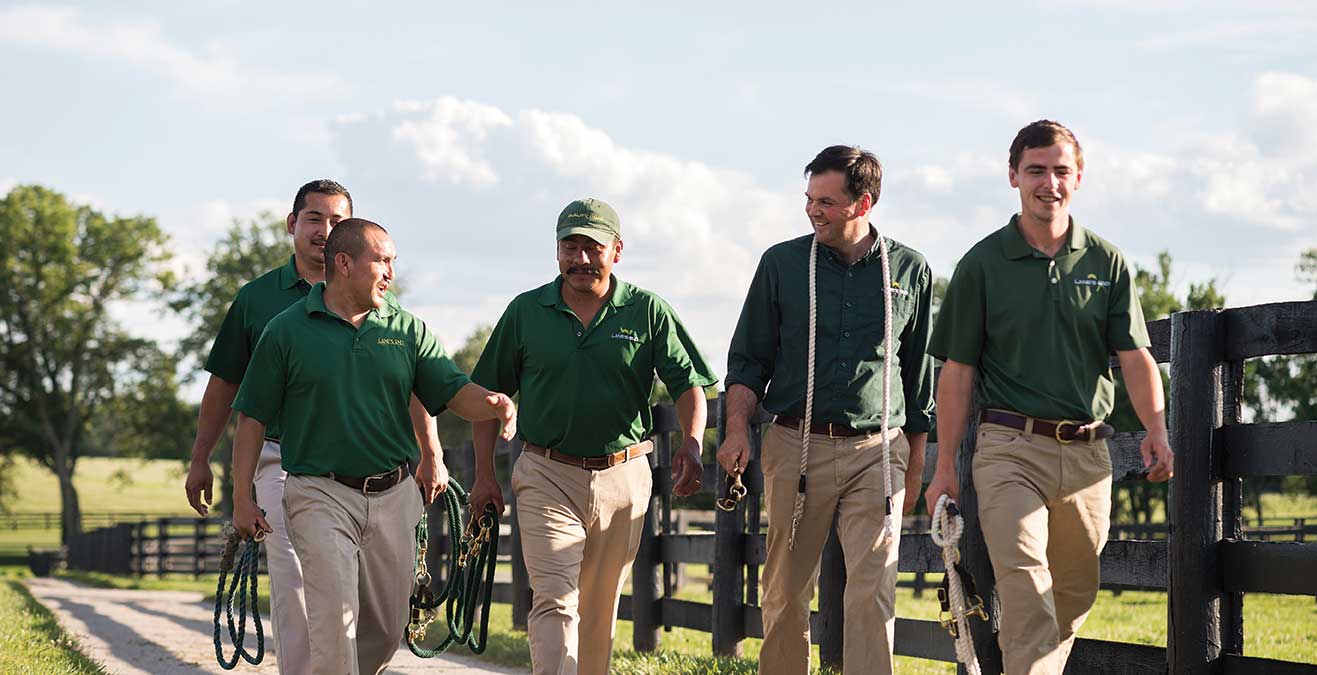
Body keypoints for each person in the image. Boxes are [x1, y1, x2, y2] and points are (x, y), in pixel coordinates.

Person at [924, 120, 1175, 675]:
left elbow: (1135, 357)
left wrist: (1157, 430)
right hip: (1008, 449)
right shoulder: (982, 265)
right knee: (1024, 580)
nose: (1049, 182)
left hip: (1088, 455)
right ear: (1013, 175)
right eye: (1036, 170)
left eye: (1061, 170)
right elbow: (957, 373)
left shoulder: (1105, 262)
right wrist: (944, 467)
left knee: (1075, 593)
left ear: (1079, 177)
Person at [229, 218, 516, 675]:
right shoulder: (286, 331)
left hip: (393, 495)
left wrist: (493, 404)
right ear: (343, 263)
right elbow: (251, 419)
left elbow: (453, 390)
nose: (390, 273)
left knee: (386, 627)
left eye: (392, 263)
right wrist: (242, 498)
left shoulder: (406, 329)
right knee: (332, 616)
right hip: (317, 493)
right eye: (381, 261)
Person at [183, 179, 440, 674]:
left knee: (371, 609)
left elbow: (411, 379)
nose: (326, 230)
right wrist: (201, 461)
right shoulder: (257, 300)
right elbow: (225, 389)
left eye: (337, 221)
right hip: (284, 460)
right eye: (315, 219)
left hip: (370, 469)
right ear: (292, 225)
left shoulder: (379, 302)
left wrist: (431, 452)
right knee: (300, 585)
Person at [467, 198, 717, 675]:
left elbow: (689, 384)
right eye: (570, 246)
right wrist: (484, 475)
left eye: (592, 247)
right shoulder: (526, 311)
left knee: (599, 610)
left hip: (624, 477)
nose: (581, 258)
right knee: (556, 599)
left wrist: (692, 442)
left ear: (616, 251)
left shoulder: (647, 311)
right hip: (545, 472)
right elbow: (486, 398)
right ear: (556, 251)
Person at [719, 145, 935, 675]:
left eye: (827, 201)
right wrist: (736, 431)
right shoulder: (781, 264)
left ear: (863, 203)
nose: (813, 210)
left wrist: (918, 464)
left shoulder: (910, 269)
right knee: (786, 589)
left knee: (873, 590)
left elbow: (920, 376)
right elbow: (748, 359)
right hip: (796, 442)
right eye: (809, 199)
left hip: (878, 451)